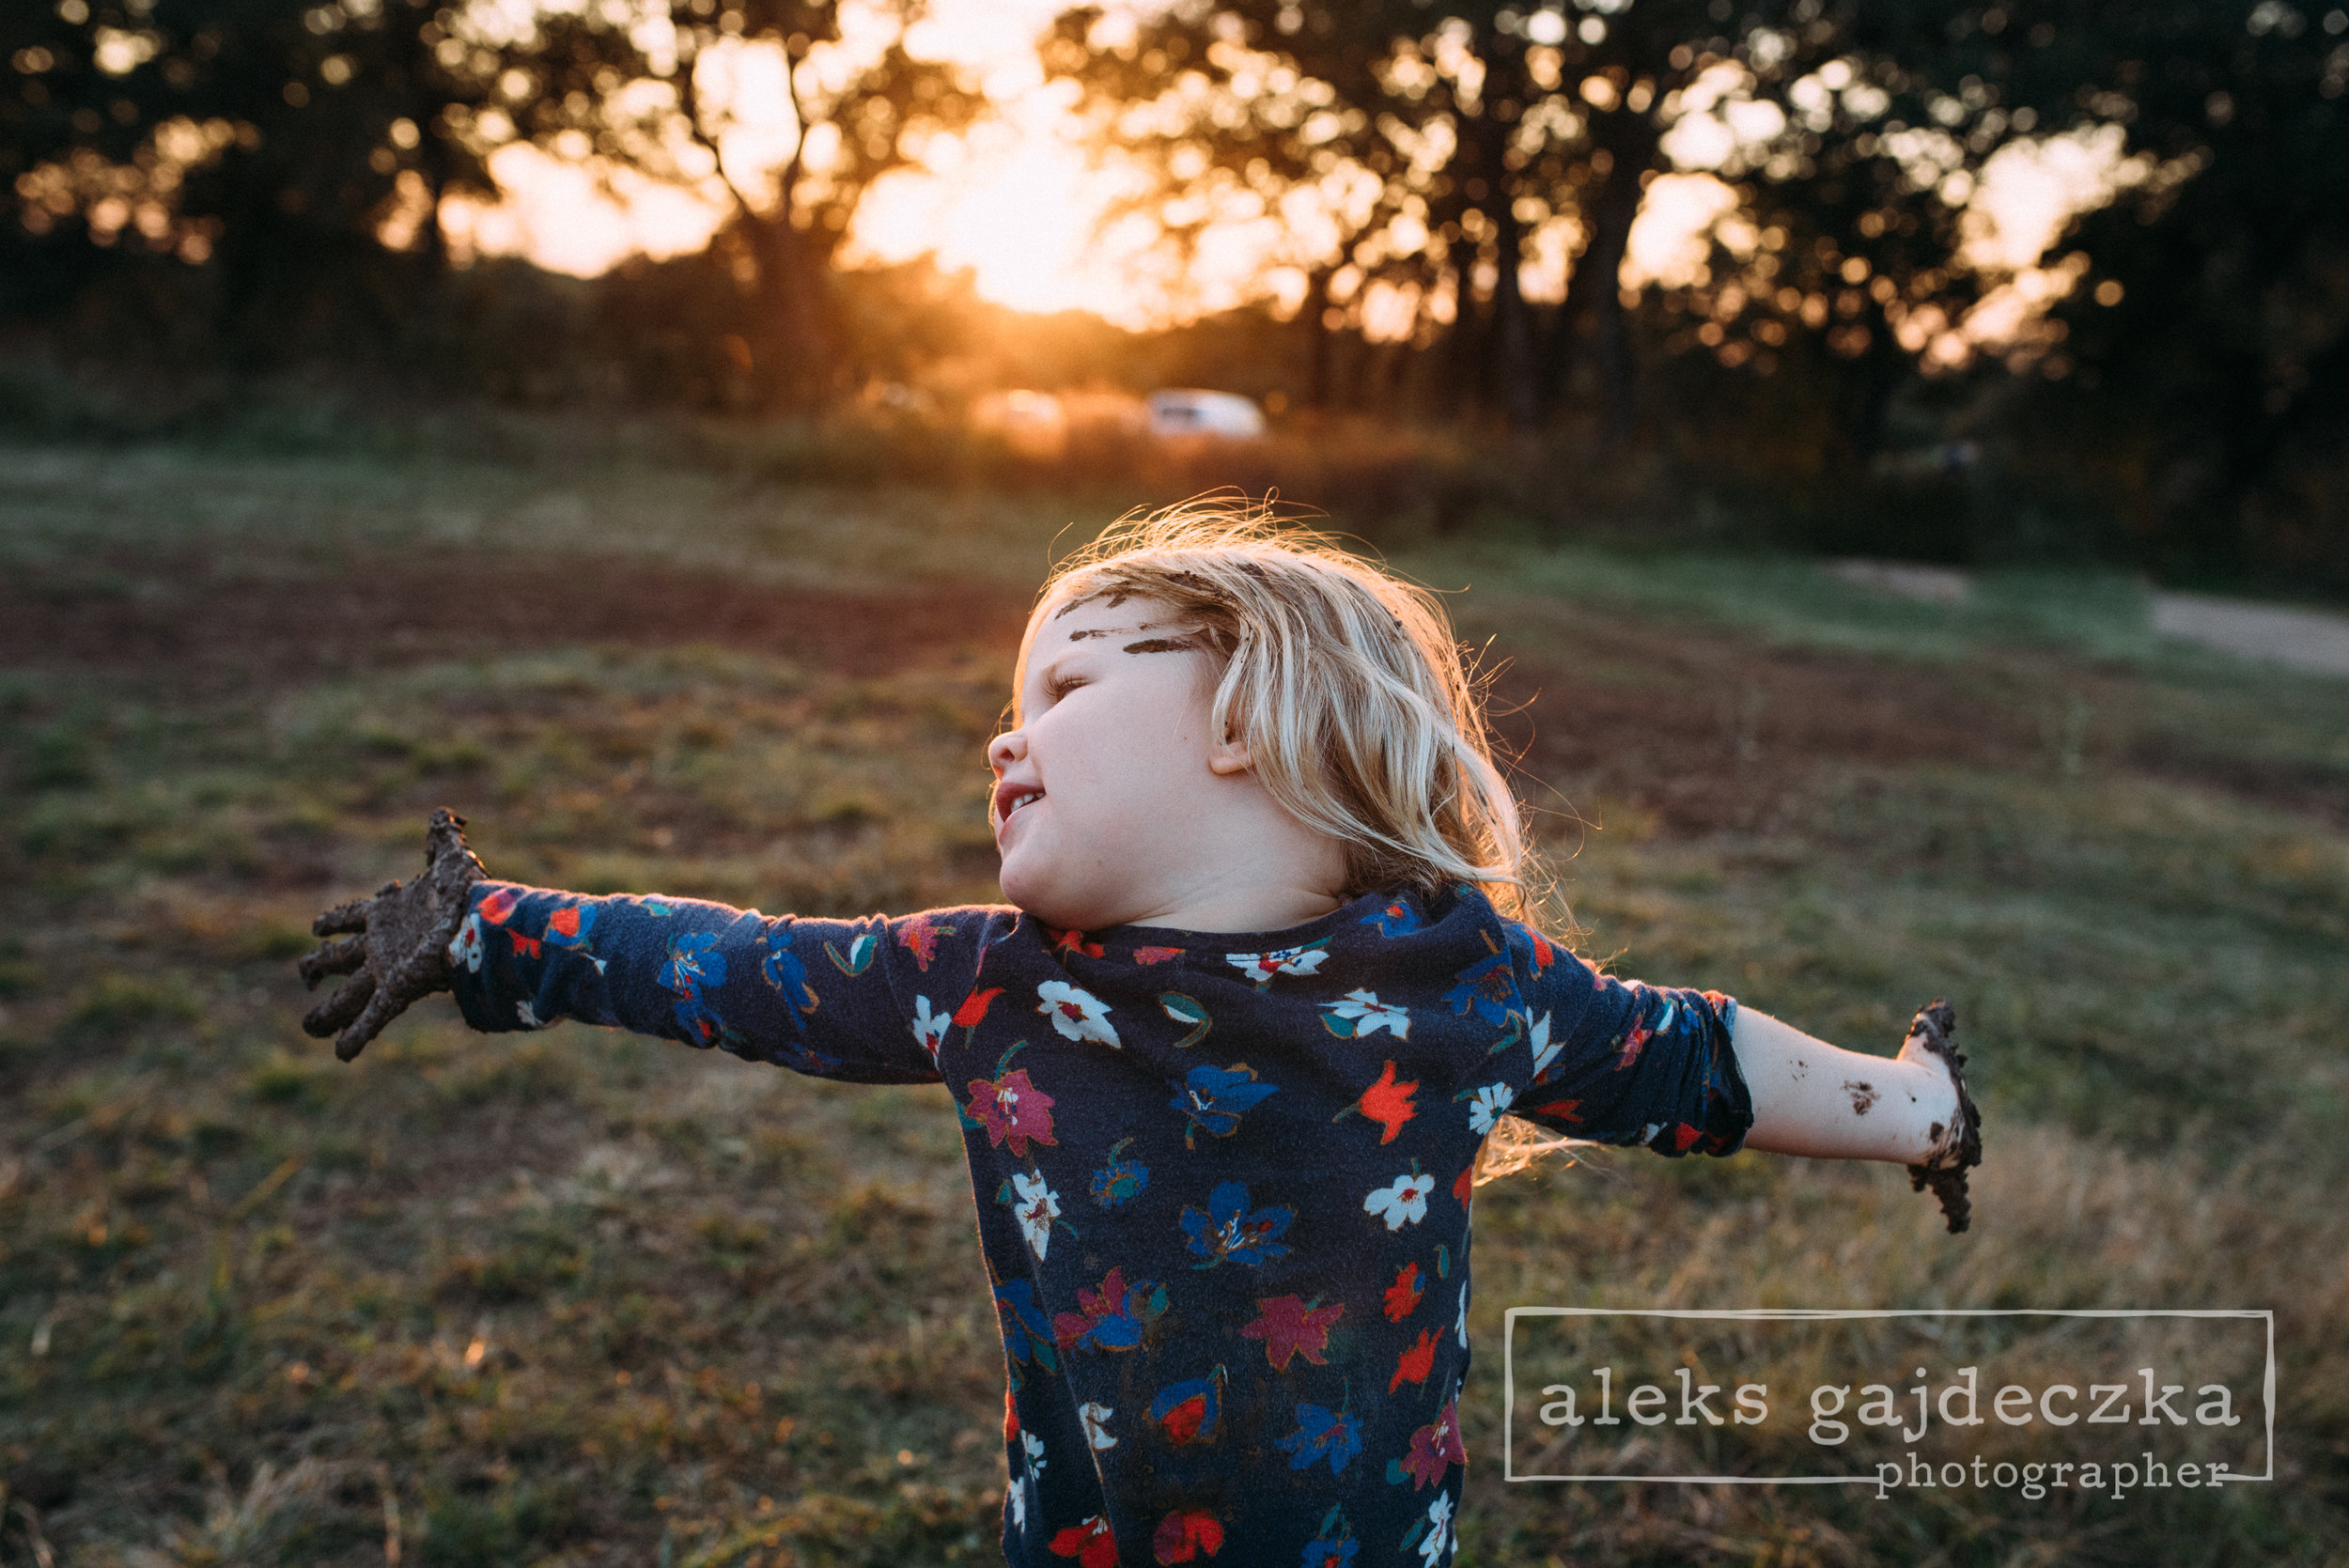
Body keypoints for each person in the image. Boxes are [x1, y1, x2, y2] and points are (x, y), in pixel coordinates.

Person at [297, 512, 1979, 1568]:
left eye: (1069, 688)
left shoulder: (1462, 980)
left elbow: (1703, 1065)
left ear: (1251, 721)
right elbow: (739, 970)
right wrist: (491, 933)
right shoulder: (989, 981)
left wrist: (1914, 1106)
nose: (1005, 733)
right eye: (1014, 702)